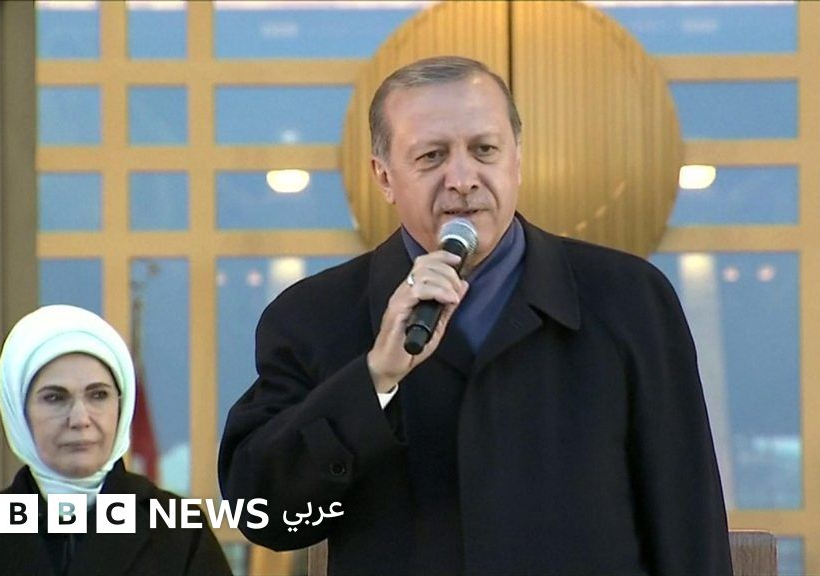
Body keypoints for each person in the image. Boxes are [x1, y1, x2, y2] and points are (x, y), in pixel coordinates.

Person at [219, 56, 731, 575]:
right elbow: (264, 514)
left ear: (517, 160)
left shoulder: (629, 298)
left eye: (484, 150)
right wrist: (375, 379)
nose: (462, 179)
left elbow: (687, 519)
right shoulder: (313, 316)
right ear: (385, 177)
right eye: (432, 156)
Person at [0, 305, 232, 576]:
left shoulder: (178, 531)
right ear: (18, 412)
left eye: (98, 395)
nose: (80, 419)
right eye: (55, 398)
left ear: (121, 406)